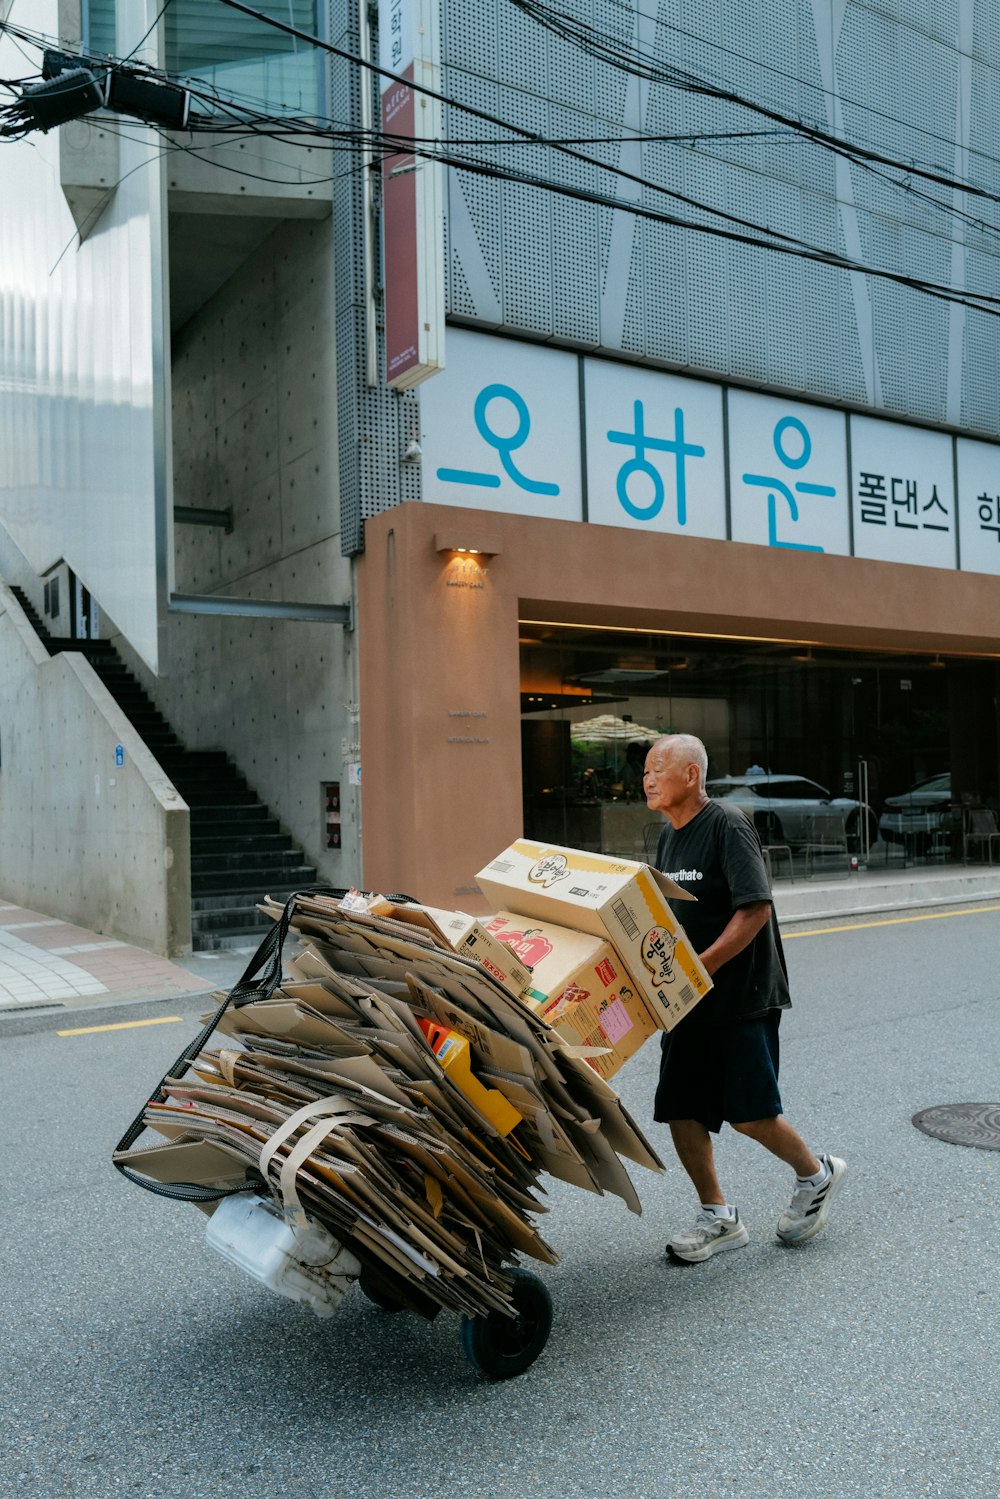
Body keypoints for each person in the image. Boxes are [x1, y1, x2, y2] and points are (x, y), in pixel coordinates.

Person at [643, 733, 847, 1264]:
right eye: (645, 769)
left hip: (739, 994)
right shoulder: (670, 836)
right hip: (689, 1000)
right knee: (682, 1109)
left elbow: (754, 907)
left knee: (751, 1115)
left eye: (657, 768)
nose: (647, 778)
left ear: (691, 775)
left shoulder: (727, 824)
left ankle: (816, 1175)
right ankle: (718, 1217)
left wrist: (701, 967)